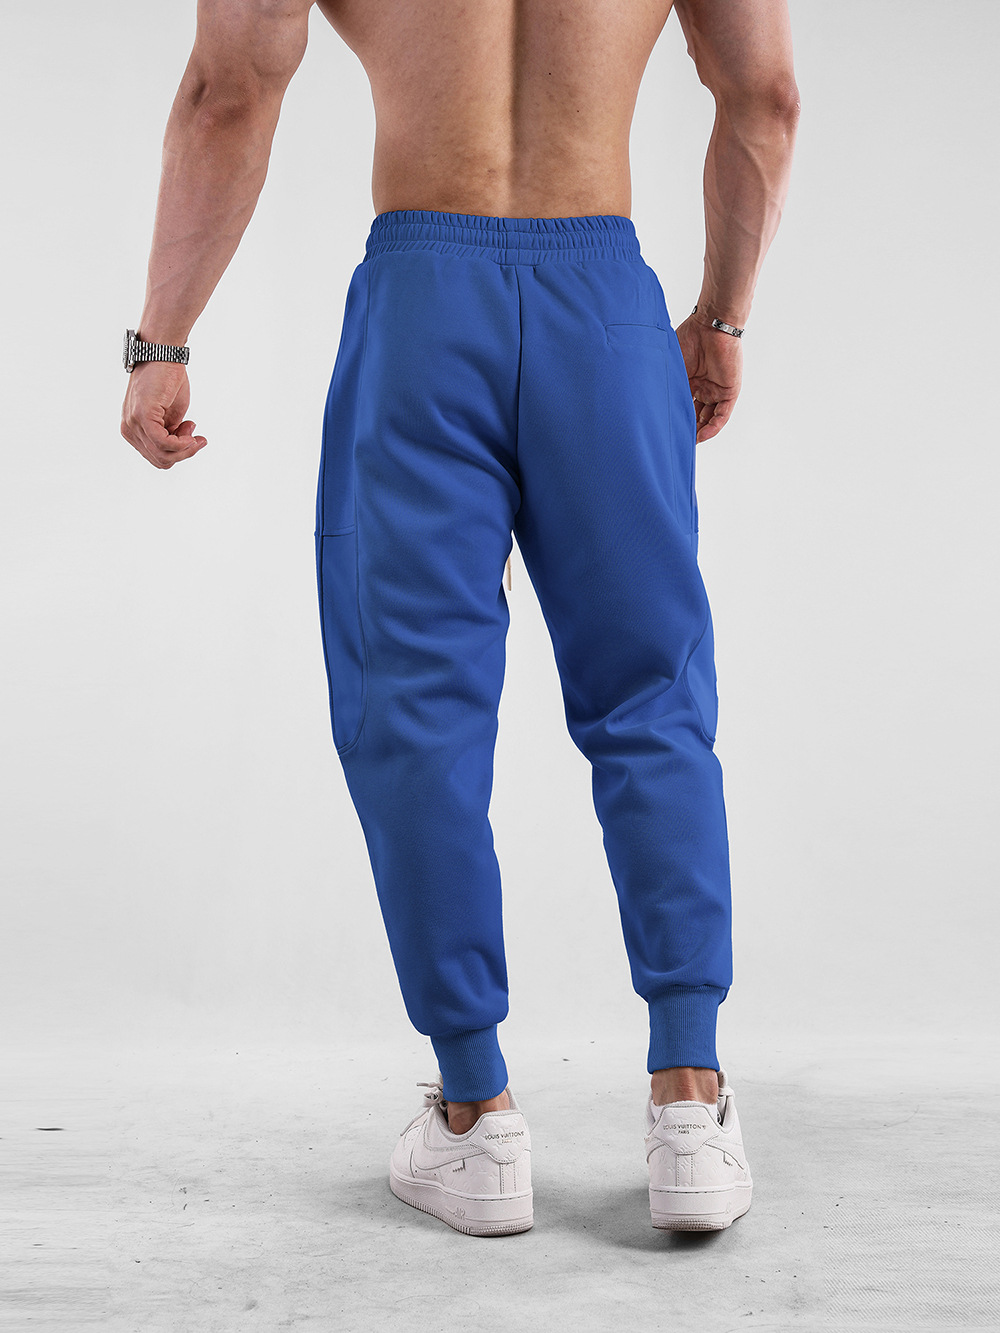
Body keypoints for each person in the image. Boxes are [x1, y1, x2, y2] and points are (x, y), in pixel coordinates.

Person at [120, 0, 799, 1237]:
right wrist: (721, 314)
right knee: (651, 699)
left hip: (425, 311)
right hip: (606, 313)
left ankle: (476, 1119)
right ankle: (689, 1102)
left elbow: (229, 90)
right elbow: (763, 95)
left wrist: (159, 340)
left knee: (414, 711)